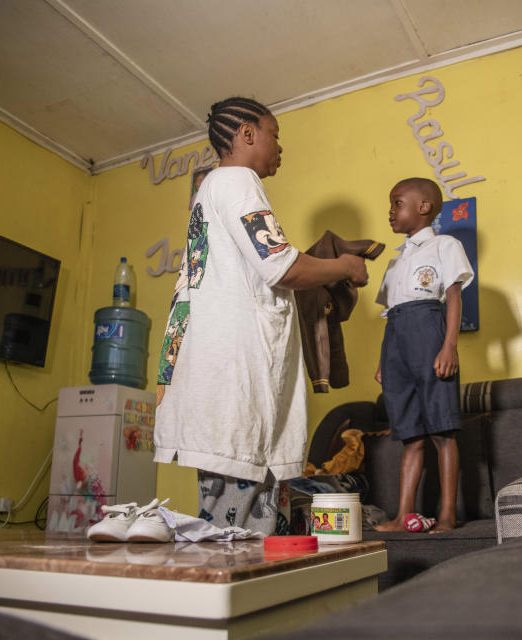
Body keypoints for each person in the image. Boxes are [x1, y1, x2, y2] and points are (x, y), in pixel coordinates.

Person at [153, 97, 369, 535]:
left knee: (235, 529)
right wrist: (344, 267)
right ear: (248, 134)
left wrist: (165, 378)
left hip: (218, 386)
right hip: (238, 384)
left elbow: (185, 298)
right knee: (240, 543)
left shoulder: (208, 196)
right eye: (275, 134)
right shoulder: (237, 180)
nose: (279, 147)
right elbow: (281, 266)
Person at [373, 178, 474, 533]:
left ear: (424, 206)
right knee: (410, 436)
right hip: (397, 340)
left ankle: (447, 514)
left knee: (442, 431)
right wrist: (384, 361)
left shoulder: (444, 245)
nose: (391, 211)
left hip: (428, 332)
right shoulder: (396, 261)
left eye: (397, 203)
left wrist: (449, 346)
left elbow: (454, 297)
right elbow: (390, 314)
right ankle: (403, 515)